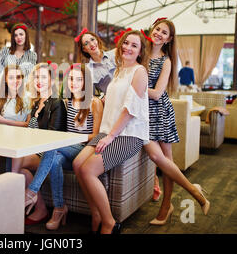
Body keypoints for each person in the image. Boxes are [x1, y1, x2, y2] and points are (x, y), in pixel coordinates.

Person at [73, 29, 149, 234]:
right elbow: (115, 98)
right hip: (108, 129)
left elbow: (130, 109)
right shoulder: (119, 70)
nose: (128, 47)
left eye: (134, 45)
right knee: (77, 163)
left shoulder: (139, 71)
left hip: (128, 134)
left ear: (141, 51)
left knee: (88, 170)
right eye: (126, 43)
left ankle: (109, 221)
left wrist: (111, 136)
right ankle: (96, 211)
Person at [142, 18, 210, 225]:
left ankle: (166, 205)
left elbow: (156, 94)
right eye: (158, 29)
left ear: (169, 39)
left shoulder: (166, 61)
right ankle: (192, 190)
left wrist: (132, 88)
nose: (159, 34)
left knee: (166, 161)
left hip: (160, 112)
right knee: (160, 160)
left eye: (165, 32)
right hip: (142, 114)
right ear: (151, 30)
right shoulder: (140, 55)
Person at [24, 63, 103, 230]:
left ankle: (32, 191)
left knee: (54, 146)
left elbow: (95, 135)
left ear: (86, 82)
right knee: (55, 159)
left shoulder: (94, 102)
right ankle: (59, 208)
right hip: (66, 150)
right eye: (71, 79)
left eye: (79, 79)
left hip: (84, 150)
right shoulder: (67, 102)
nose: (74, 83)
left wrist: (70, 138)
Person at [19, 62, 67, 225]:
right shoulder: (35, 103)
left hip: (48, 152)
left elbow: (53, 137)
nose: (39, 80)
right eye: (37, 77)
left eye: (43, 77)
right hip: (34, 149)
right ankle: (40, 209)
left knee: (15, 160)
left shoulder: (56, 103)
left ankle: (21, 200)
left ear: (52, 81)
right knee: (22, 170)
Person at [0, 64, 32, 176]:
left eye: (18, 77)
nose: (15, 80)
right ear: (5, 79)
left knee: (1, 163)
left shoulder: (28, 98)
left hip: (19, 139)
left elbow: (27, 125)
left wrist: (4, 121)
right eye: (11, 78)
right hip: (0, 139)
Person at [74, 28, 116, 96]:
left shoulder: (115, 53)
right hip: (112, 101)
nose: (91, 44)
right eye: (86, 43)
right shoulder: (88, 71)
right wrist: (101, 98)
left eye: (92, 39)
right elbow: (90, 96)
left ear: (97, 39)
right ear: (84, 49)